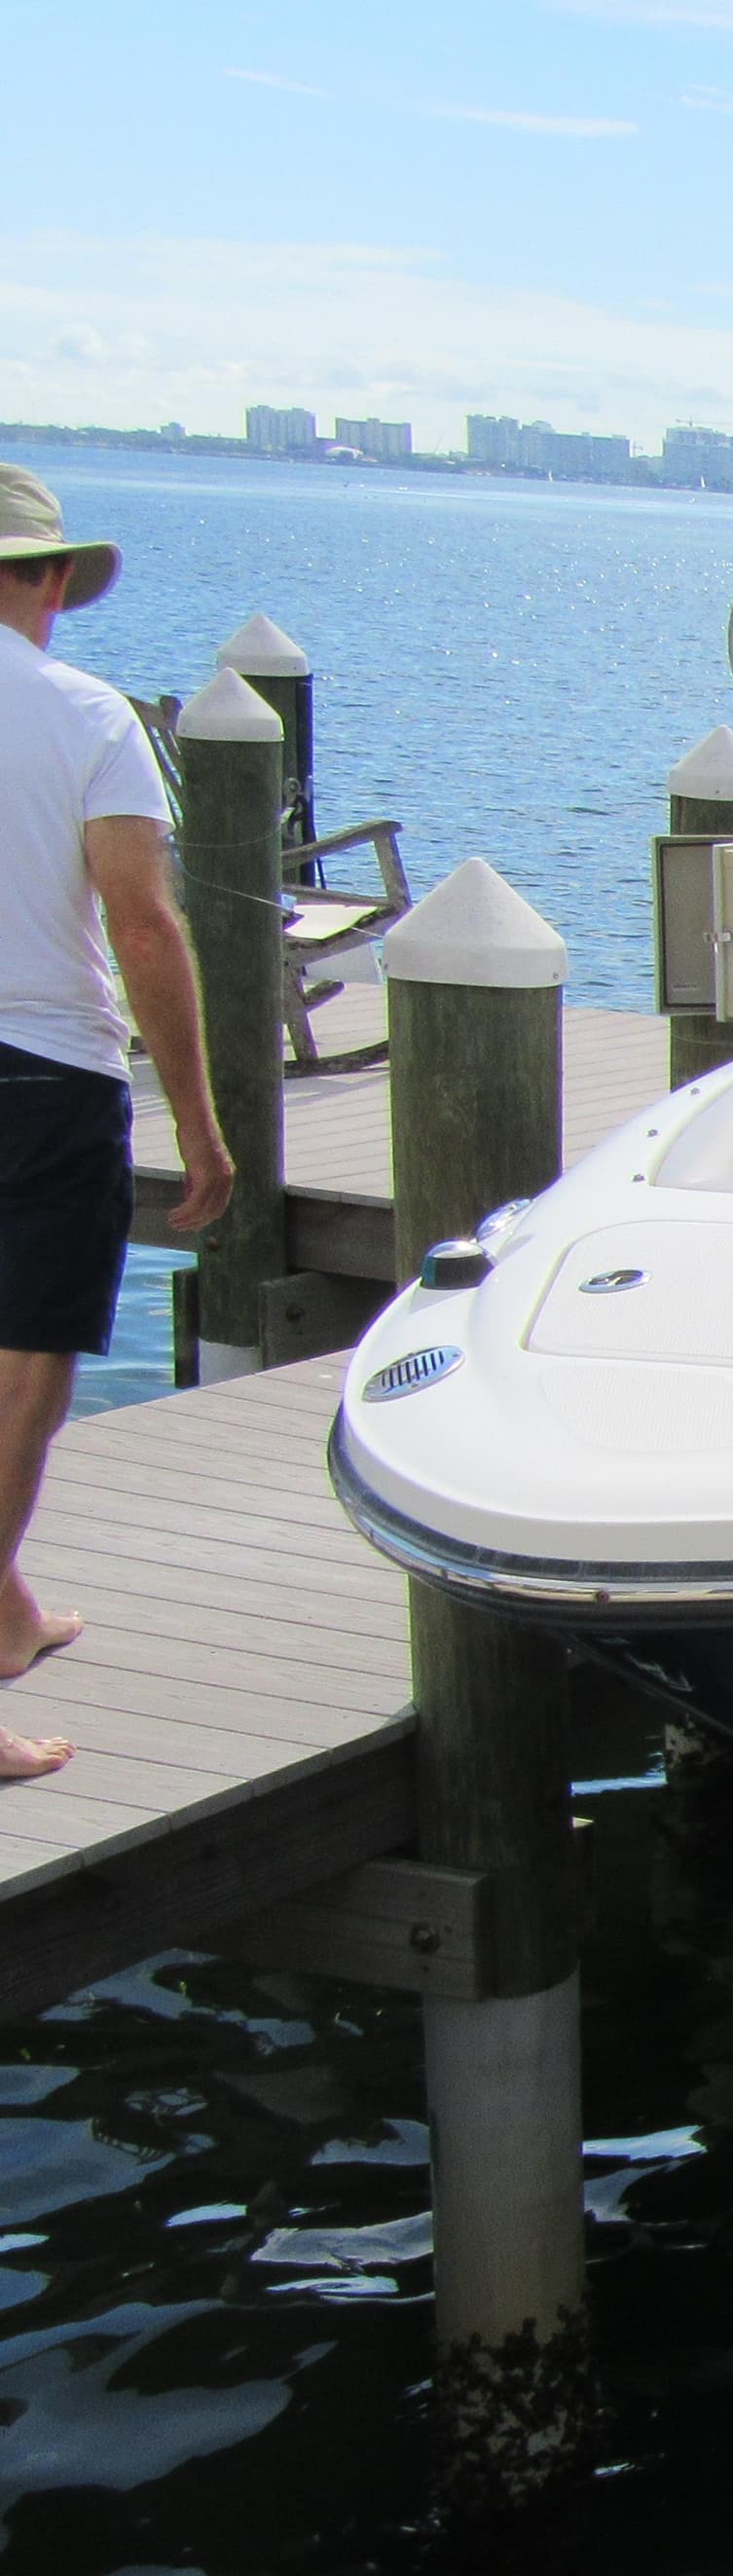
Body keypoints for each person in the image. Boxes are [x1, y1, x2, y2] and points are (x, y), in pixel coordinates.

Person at [0, 463, 234, 1781]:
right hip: (41, 1071)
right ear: (43, 578)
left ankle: (8, 1610)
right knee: (22, 1380)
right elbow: (143, 925)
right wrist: (197, 1120)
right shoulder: (88, 716)